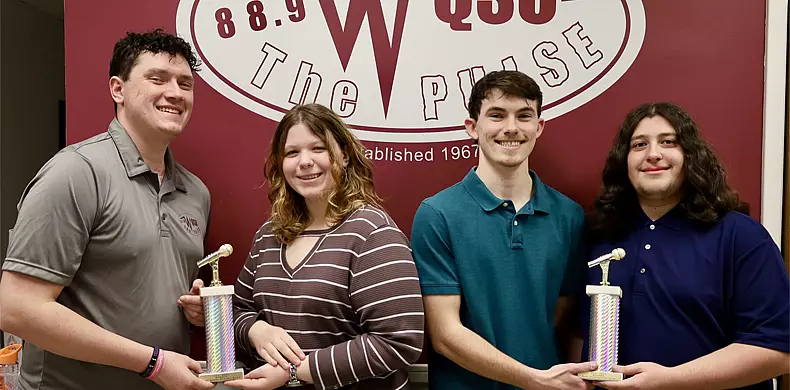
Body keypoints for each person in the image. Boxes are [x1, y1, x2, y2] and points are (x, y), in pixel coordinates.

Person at [0, 29, 215, 390]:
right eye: (157, 79)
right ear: (118, 90)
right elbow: (17, 309)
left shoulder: (196, 193)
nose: (175, 93)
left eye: (184, 83)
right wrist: (153, 363)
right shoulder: (75, 173)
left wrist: (196, 310)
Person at [582, 102, 790, 390]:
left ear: (691, 155)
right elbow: (579, 335)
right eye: (639, 144)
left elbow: (779, 351)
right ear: (624, 161)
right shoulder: (600, 235)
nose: (653, 154)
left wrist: (670, 380)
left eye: (669, 142)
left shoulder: (741, 237)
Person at [410, 70, 596, 390]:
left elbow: (559, 313)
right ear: (473, 127)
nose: (511, 128)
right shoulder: (437, 215)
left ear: (538, 127)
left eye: (524, 116)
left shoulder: (570, 216)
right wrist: (532, 379)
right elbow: (445, 335)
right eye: (496, 115)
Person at [225, 103, 424, 390]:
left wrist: (296, 371)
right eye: (292, 152)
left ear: (344, 155)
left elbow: (398, 341)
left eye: (318, 148)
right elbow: (235, 310)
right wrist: (256, 330)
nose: (305, 161)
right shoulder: (269, 235)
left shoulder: (372, 233)